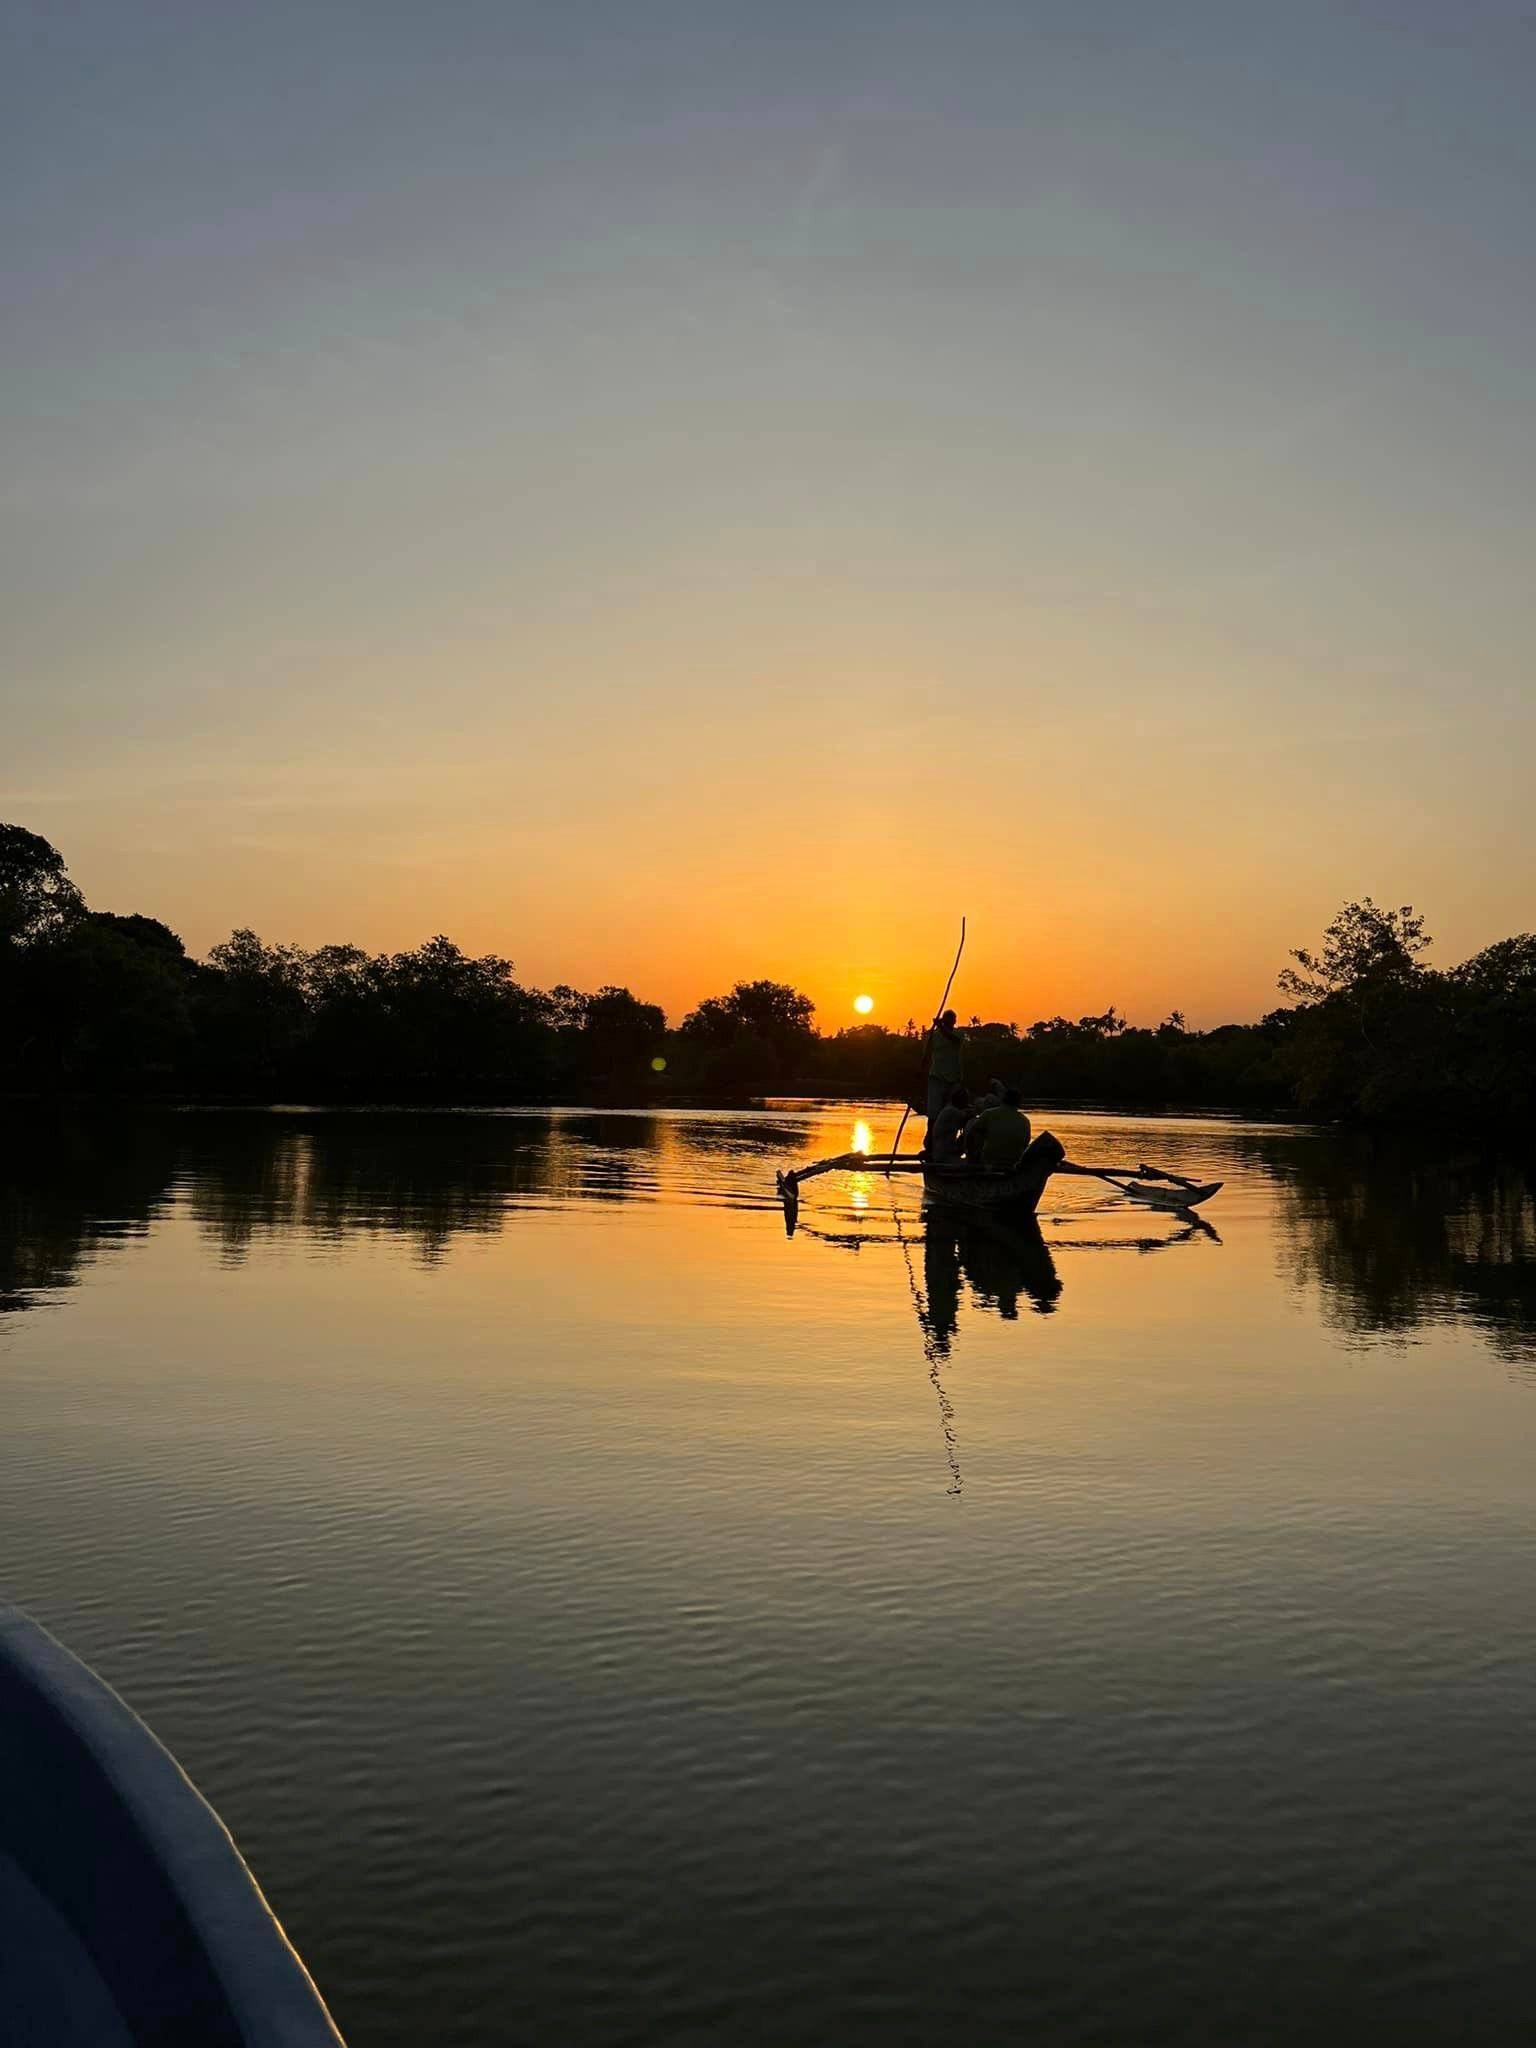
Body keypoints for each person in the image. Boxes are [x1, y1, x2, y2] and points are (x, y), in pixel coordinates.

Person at [963, 1087, 1033, 1172]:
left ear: (1002, 1100)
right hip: (1013, 1163)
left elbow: (971, 1135)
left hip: (989, 1160)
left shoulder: (989, 1114)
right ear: (1019, 1103)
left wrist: (971, 1155)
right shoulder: (1025, 1121)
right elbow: (1026, 1144)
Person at [925, 1010, 965, 1127]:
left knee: (950, 1111)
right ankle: (930, 1138)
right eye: (948, 1019)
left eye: (952, 1019)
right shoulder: (934, 1035)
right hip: (936, 1077)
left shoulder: (959, 1034)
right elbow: (927, 1053)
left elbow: (953, 1040)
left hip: (953, 1078)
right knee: (933, 1113)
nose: (951, 1021)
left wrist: (940, 1026)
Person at [924, 1085, 971, 1165]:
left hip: (943, 1152)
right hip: (944, 1156)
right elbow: (967, 1117)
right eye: (965, 1101)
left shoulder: (948, 1109)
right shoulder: (952, 1111)